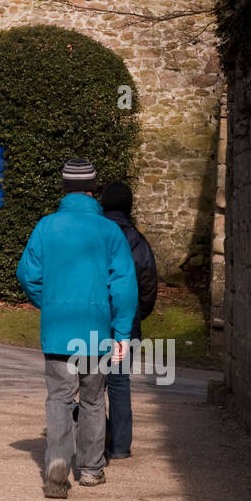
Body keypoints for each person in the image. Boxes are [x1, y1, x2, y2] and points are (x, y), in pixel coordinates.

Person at [17, 159, 138, 499]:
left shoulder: (46, 227)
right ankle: (90, 469)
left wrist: (49, 301)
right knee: (93, 400)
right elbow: (124, 286)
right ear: (93, 189)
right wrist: (122, 333)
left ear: (63, 188)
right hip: (96, 333)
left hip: (58, 330)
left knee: (58, 399)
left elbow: (27, 274)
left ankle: (57, 460)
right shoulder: (110, 231)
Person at [100, 181, 158, 460]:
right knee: (119, 381)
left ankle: (95, 438)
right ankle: (121, 445)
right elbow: (148, 283)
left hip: (95, 319)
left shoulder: (96, 236)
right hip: (127, 321)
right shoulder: (138, 240)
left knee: (93, 381)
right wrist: (137, 314)